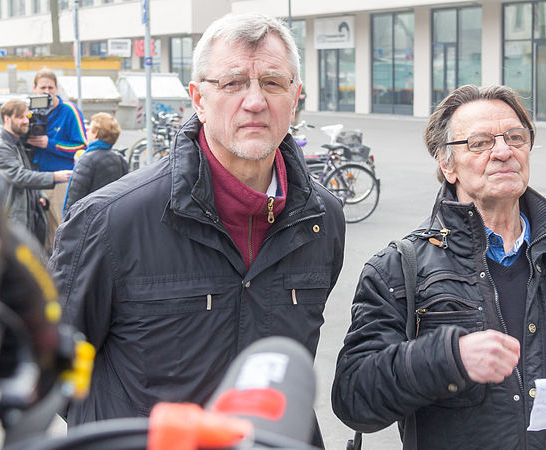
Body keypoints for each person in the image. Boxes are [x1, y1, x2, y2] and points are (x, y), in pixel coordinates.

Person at [49, 12, 345, 446]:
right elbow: (50, 368)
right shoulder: (110, 221)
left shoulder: (323, 219)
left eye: (273, 83)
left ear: (295, 97)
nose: (255, 101)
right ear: (198, 99)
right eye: (232, 83)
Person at [331, 85, 546, 448]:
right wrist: (447, 358)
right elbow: (354, 398)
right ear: (446, 164)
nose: (503, 152)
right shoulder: (398, 269)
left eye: (515, 137)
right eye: (480, 143)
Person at [0, 99, 72, 246]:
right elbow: (19, 176)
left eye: (27, 117)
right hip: (12, 216)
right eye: (21, 117)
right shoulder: (0, 147)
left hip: (26, 214)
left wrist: (39, 195)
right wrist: (54, 176)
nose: (26, 121)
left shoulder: (16, 143)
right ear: (7, 119)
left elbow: (26, 171)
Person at [26, 69, 87, 244]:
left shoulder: (68, 110)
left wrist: (49, 144)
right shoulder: (30, 111)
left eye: (50, 88)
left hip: (60, 181)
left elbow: (81, 145)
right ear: (34, 89)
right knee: (39, 233)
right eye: (42, 87)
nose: (46, 92)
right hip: (35, 179)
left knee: (61, 229)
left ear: (57, 88)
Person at [62, 112, 128, 215]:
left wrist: (66, 220)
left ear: (96, 133)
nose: (87, 133)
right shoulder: (119, 158)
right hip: (112, 216)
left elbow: (75, 197)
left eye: (89, 130)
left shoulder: (86, 160)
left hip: (89, 219)